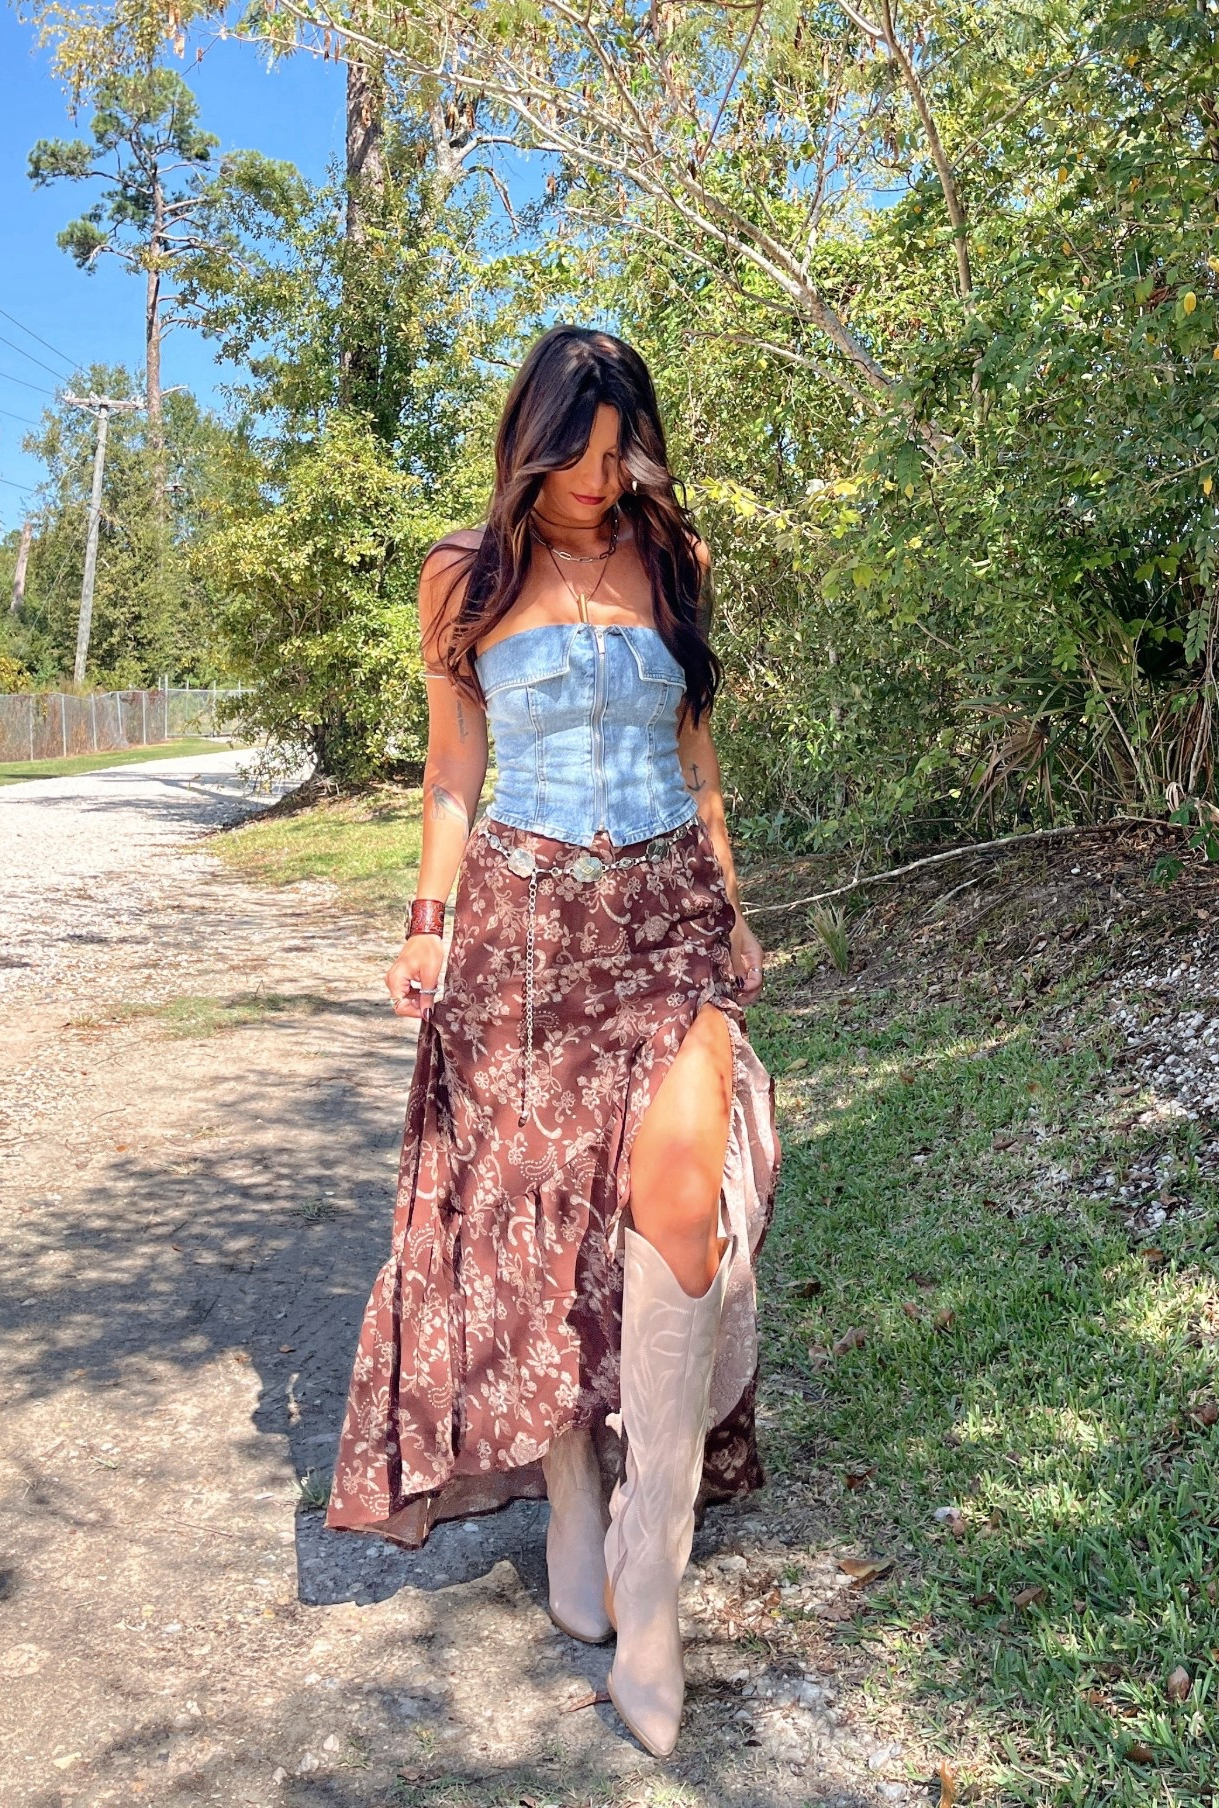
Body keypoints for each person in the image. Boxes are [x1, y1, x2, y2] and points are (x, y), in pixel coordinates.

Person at [325, 325, 779, 1758]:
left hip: (663, 920)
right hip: (521, 932)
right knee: (540, 1220)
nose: (600, 482)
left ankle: (653, 1560)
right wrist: (425, 923)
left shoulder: (676, 557)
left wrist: (735, 900)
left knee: (675, 1198)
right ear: (533, 444)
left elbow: (698, 753)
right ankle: (572, 1487)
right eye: (576, 458)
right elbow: (456, 768)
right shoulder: (464, 575)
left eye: (619, 455)